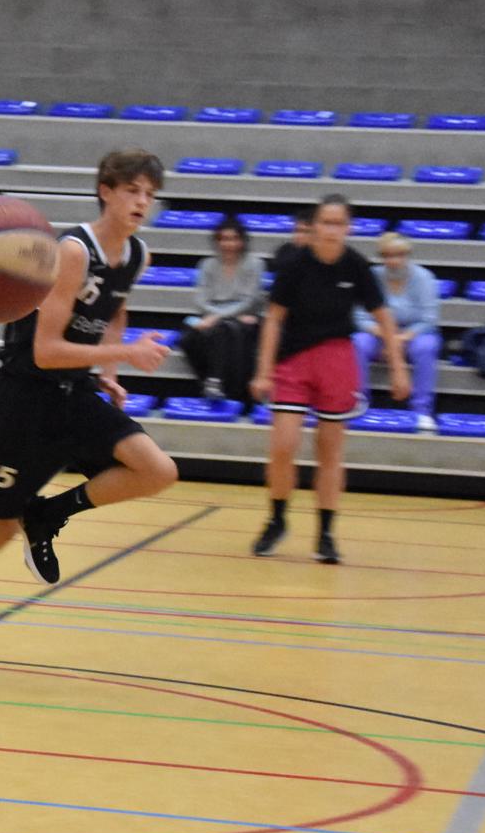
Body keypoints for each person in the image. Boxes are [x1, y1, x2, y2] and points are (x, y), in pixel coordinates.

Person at [0, 149, 178, 671]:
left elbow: (115, 310)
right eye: (132, 190)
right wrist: (126, 354)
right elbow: (45, 351)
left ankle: (48, 513)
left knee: (157, 470)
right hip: (25, 398)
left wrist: (109, 372)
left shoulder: (137, 254)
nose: (142, 202)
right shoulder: (72, 251)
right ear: (106, 191)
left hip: (73, 392)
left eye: (149, 194)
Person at [249, 194, 408, 565]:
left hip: (337, 361)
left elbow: (384, 318)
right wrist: (263, 370)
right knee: (283, 446)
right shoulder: (294, 264)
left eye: (338, 224)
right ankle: (277, 519)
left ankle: (325, 534)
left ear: (348, 228)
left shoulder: (356, 266)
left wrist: (399, 368)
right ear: (314, 226)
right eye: (326, 223)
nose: (331, 230)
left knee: (330, 452)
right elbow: (273, 319)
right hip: (293, 361)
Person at [354, 231, 441, 431]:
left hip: (413, 334)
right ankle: (359, 401)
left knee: (427, 347)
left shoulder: (424, 278)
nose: (394, 261)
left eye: (399, 255)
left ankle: (422, 410)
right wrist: (388, 337)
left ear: (407, 255)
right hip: (379, 333)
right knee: (358, 342)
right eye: (388, 256)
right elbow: (360, 317)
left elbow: (428, 320)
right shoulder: (371, 277)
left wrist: (400, 339)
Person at [179, 215, 264, 403]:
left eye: (233, 239)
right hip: (211, 314)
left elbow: (249, 300)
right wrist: (213, 315)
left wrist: (217, 316)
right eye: (224, 239)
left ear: (242, 241)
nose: (229, 244)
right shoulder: (207, 264)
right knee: (187, 339)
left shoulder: (254, 264)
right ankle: (207, 379)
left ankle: (215, 380)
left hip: (243, 315)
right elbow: (201, 299)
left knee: (224, 330)